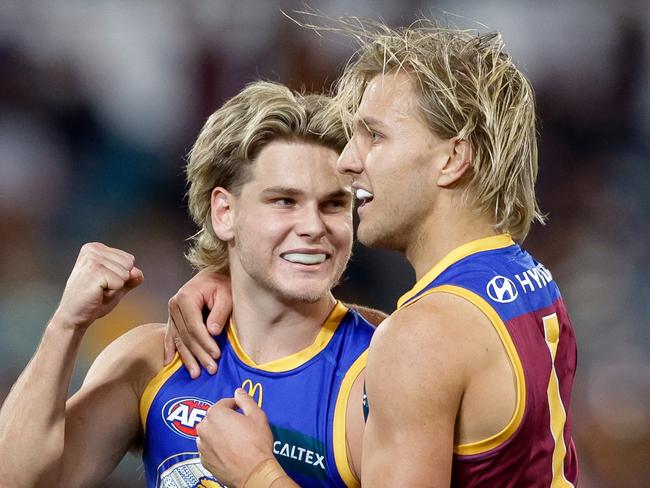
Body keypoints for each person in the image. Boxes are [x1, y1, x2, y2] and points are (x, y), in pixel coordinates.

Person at [169, 21, 579, 487]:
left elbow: (422, 346)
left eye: (375, 136)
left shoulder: (421, 335)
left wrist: (255, 472)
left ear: (452, 159)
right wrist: (240, 281)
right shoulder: (529, 280)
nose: (347, 161)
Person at [0, 81, 382, 488]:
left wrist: (257, 474)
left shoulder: (378, 369)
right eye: (284, 201)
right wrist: (65, 325)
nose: (312, 227)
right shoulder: (151, 360)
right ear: (224, 212)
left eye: (334, 204)